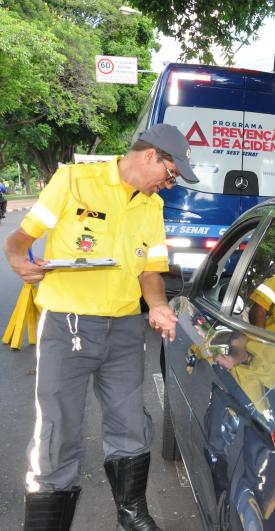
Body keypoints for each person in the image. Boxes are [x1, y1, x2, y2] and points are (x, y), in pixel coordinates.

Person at [4, 124, 199, 531]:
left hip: (125, 329)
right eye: (170, 174)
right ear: (150, 156)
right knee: (57, 431)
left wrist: (159, 306)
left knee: (131, 424)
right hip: (68, 325)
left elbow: (150, 270)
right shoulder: (74, 181)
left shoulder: (152, 208)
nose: (168, 184)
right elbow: (22, 238)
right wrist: (19, 257)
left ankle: (131, 515)